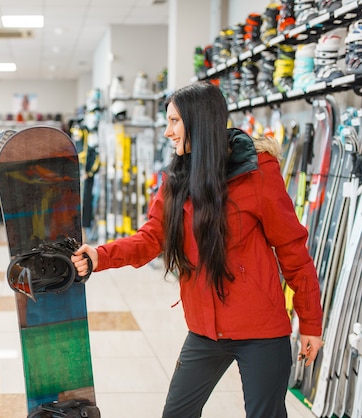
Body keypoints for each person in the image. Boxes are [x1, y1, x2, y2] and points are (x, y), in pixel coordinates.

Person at [71, 81, 323, 418]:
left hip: (261, 329)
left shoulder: (258, 173)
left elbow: (293, 252)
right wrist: (100, 255)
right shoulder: (177, 178)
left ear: (199, 122)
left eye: (174, 121)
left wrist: (310, 323)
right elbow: (150, 238)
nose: (167, 132)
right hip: (206, 329)